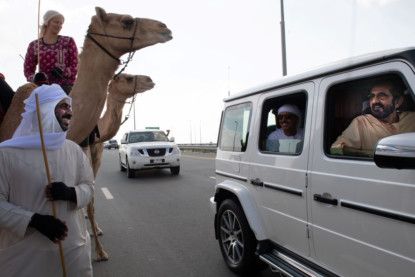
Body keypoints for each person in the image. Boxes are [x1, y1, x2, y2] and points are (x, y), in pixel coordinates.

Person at [0, 84, 94, 276]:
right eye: (63, 106)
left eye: (69, 107)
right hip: (25, 258)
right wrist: (33, 220)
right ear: (44, 110)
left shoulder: (74, 150)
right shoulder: (6, 154)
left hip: (74, 253)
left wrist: (71, 193)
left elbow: (89, 187)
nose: (69, 112)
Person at [331, 75, 415, 156]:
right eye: (371, 97)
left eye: (381, 97)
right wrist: (373, 155)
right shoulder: (361, 122)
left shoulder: (411, 119)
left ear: (398, 102)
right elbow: (336, 150)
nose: (374, 101)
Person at [24, 10, 78, 93]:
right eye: (56, 22)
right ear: (47, 22)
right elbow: (28, 70)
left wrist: (63, 72)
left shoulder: (68, 41)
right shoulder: (34, 45)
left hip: (65, 88)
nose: (59, 25)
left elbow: (75, 65)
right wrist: (37, 78)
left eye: (61, 23)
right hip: (43, 89)